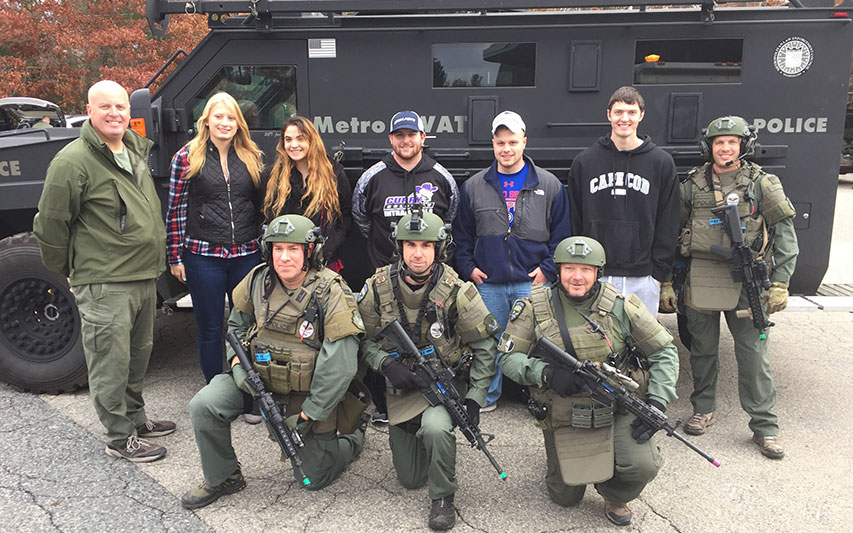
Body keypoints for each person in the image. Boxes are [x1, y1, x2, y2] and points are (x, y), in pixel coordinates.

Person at [181, 214, 369, 509]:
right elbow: (236, 327)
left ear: (311, 251)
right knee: (204, 405)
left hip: (305, 395)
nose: (284, 258)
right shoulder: (257, 279)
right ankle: (224, 476)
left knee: (314, 478)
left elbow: (340, 365)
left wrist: (308, 415)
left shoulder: (331, 291)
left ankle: (354, 436)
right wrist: (238, 370)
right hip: (258, 383)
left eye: (293, 249)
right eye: (277, 249)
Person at [33, 80, 174, 462]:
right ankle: (118, 437)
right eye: (106, 107)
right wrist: (67, 268)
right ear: (90, 111)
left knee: (137, 354)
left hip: (142, 275)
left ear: (130, 111)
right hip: (105, 281)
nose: (115, 113)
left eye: (121, 107)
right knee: (109, 360)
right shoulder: (72, 161)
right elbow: (50, 223)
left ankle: (135, 419)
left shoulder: (132, 150)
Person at [498, 236, 678, 526]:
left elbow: (663, 350)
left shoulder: (622, 306)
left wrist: (658, 400)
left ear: (598, 272)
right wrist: (546, 373)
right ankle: (563, 461)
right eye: (569, 268)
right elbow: (507, 359)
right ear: (558, 270)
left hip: (616, 406)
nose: (577, 277)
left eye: (586, 269)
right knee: (565, 497)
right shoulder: (534, 306)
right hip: (562, 410)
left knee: (643, 465)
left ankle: (612, 493)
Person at [662, 115, 798, 459]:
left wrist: (780, 281)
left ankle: (765, 426)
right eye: (719, 142)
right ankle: (703, 408)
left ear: (743, 146)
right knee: (703, 350)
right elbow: (671, 234)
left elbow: (785, 235)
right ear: (709, 147)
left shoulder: (762, 183)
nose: (725, 148)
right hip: (701, 277)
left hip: (746, 279)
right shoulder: (692, 185)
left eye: (732, 142)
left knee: (753, 355)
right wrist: (666, 280)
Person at [357, 210, 498, 531]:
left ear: (439, 249)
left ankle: (443, 498)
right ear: (400, 248)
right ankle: (356, 437)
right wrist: (385, 364)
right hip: (400, 389)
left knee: (436, 428)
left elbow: (486, 346)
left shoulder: (456, 290)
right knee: (409, 479)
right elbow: (359, 339)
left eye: (426, 246)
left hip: (442, 389)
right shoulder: (377, 287)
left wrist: (475, 398)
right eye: (410, 245)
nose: (417, 253)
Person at [453, 110, 572, 411]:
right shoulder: (474, 185)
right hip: (489, 282)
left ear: (524, 143)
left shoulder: (550, 185)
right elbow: (462, 236)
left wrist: (547, 270)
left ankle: (536, 395)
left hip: (530, 282)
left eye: (513, 142)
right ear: (492, 144)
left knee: (535, 341)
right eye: (500, 142)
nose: (506, 149)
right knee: (488, 341)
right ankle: (487, 396)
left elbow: (562, 236)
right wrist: (469, 268)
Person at [353, 110, 459, 424]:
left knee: (426, 341)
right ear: (391, 139)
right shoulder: (372, 176)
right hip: (385, 279)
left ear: (422, 138)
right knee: (382, 342)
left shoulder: (442, 176)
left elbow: (449, 219)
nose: (406, 140)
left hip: (428, 282)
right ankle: (384, 407)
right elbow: (361, 219)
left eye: (412, 135)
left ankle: (433, 401)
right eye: (399, 135)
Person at [165, 92, 264, 385]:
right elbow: (176, 210)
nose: (224, 122)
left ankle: (247, 389)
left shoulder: (252, 156)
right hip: (202, 254)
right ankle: (216, 389)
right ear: (206, 120)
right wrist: (175, 256)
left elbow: (259, 206)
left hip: (245, 254)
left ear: (239, 123)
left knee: (245, 325)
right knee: (210, 328)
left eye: (231, 117)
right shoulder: (186, 157)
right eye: (218, 116)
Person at [567, 86, 680, 315]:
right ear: (609, 115)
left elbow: (668, 221)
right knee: (597, 345)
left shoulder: (661, 162)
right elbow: (574, 219)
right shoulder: (585, 162)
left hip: (643, 277)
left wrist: (658, 275)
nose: (624, 119)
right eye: (618, 112)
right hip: (597, 274)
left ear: (641, 115)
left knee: (641, 345)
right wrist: (581, 267)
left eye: (631, 112)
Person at [262, 116, 352, 273]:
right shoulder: (272, 176)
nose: (294, 145)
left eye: (300, 139)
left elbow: (346, 216)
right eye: (288, 139)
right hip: (285, 263)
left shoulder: (334, 174)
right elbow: (261, 216)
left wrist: (329, 246)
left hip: (322, 261)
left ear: (312, 141)